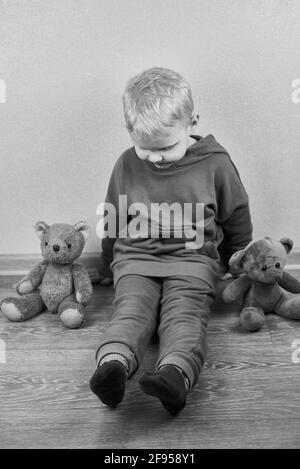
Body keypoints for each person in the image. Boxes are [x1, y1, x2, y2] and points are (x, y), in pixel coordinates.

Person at [90, 67, 252, 415]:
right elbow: (113, 214)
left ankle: (174, 375)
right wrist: (106, 263)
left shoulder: (216, 165)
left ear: (192, 122)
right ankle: (112, 367)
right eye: (144, 149)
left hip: (193, 262)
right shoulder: (127, 163)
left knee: (184, 316)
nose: (154, 158)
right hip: (134, 259)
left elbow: (235, 214)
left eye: (164, 148)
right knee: (130, 310)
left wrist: (237, 261)